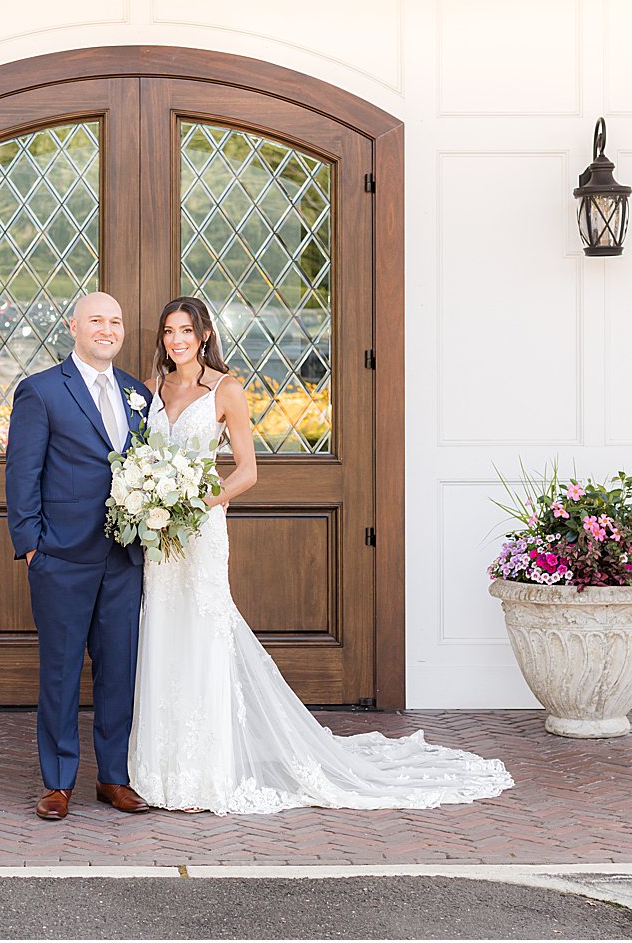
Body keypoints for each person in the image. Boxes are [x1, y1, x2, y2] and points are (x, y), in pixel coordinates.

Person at [127, 296, 515, 815]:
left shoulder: (226, 389)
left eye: (186, 331)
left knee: (202, 632)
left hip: (200, 529)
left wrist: (203, 499)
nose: (176, 340)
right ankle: (159, 770)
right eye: (169, 331)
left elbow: (247, 470)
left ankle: (204, 772)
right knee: (162, 632)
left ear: (203, 336)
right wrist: (150, 495)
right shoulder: (149, 390)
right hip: (159, 538)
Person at [5, 291, 155, 820]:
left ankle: (112, 777)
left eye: (115, 321)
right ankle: (58, 781)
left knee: (119, 670)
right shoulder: (41, 391)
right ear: (74, 326)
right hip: (61, 558)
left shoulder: (139, 394)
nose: (107, 329)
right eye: (96, 319)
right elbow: (22, 474)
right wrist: (31, 548)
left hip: (124, 557)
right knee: (62, 671)